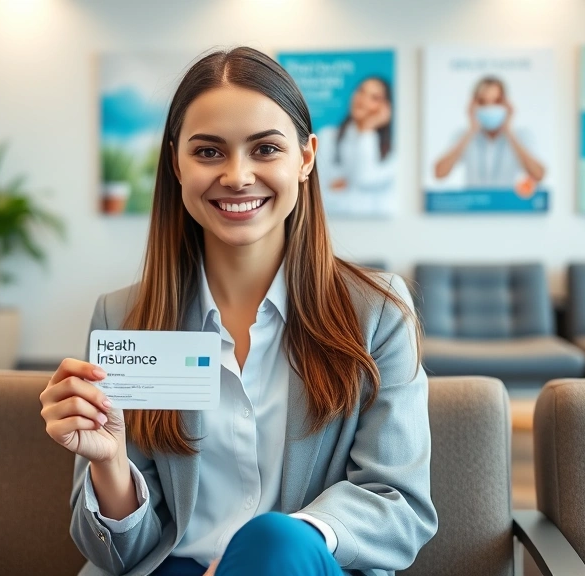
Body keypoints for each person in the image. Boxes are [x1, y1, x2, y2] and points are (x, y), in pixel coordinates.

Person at [40, 47, 437, 576]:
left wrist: (283, 545)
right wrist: (109, 460)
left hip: (297, 565)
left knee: (274, 540)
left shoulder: (377, 313)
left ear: (306, 158)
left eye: (265, 149)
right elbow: (118, 554)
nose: (236, 175)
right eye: (208, 152)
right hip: (173, 568)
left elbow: (399, 507)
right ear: (175, 163)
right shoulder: (123, 316)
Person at [433, 75, 545, 196]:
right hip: (473, 208)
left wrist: (508, 131)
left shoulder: (521, 135)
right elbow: (439, 174)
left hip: (510, 208)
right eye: (482, 102)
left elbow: (539, 175)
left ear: (506, 104)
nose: (490, 107)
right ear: (473, 104)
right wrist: (471, 130)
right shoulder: (463, 135)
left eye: (496, 101)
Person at [316, 76, 395, 215]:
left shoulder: (392, 151)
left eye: (374, 98)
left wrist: (367, 129)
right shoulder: (327, 136)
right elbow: (316, 194)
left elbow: (364, 179)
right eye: (361, 91)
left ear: (385, 108)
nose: (362, 100)